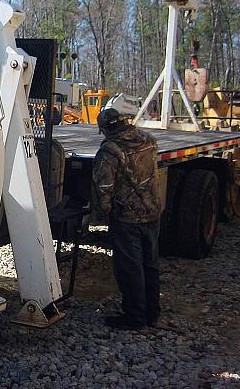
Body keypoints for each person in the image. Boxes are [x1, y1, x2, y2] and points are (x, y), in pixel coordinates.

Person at [90, 108, 162, 330]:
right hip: (152, 213)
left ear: (105, 129)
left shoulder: (110, 151)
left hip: (127, 218)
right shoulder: (148, 140)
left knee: (129, 268)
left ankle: (135, 318)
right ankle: (152, 312)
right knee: (150, 264)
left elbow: (104, 187)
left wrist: (101, 215)